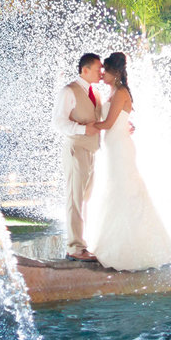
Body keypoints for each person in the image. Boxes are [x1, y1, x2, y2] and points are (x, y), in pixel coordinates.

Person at [88, 52, 171, 271]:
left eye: (105, 71)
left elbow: (108, 123)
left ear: (115, 72)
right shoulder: (112, 92)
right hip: (114, 147)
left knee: (125, 191)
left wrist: (86, 126)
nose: (102, 75)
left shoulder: (120, 92)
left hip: (120, 148)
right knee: (118, 190)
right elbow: (117, 120)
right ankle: (115, 242)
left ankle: (132, 249)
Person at [51, 53, 103, 260]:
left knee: (85, 199)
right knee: (75, 197)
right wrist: (82, 130)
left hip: (91, 151)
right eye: (98, 68)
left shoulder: (95, 93)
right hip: (75, 148)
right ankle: (74, 248)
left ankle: (82, 244)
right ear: (85, 70)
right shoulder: (68, 91)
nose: (102, 72)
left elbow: (101, 118)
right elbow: (58, 122)